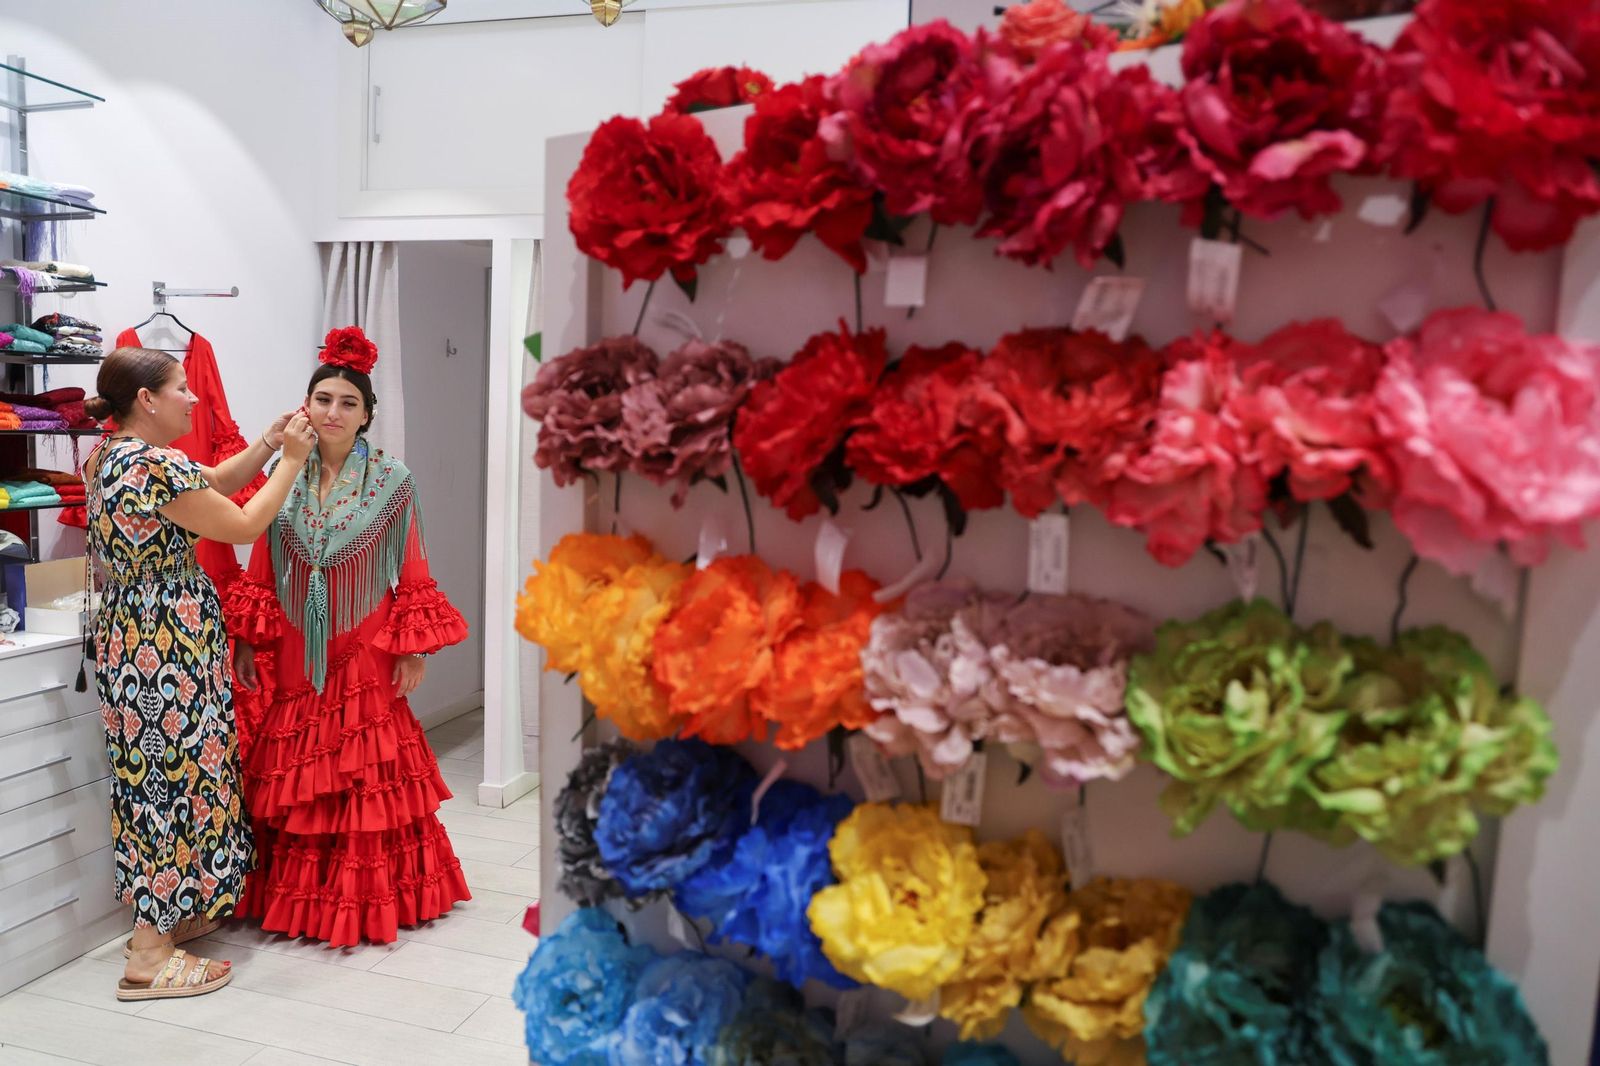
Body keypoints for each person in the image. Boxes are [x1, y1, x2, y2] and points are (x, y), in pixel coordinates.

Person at [82, 346, 316, 1001]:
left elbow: (208, 482)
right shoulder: (154, 465)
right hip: (168, 649)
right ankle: (150, 957)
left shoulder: (110, 455)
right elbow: (241, 520)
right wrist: (292, 462)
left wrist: (268, 443)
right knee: (171, 784)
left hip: (135, 641)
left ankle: (162, 926)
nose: (194, 398)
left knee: (149, 781)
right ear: (147, 400)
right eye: (182, 389)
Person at [228, 326, 470, 947]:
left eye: (347, 403)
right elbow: (261, 557)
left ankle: (364, 903)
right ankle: (295, 902)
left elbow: (411, 563)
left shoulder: (394, 480)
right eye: (322, 399)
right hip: (289, 640)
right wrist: (252, 640)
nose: (332, 412)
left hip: (365, 640)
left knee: (365, 765)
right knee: (296, 764)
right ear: (304, 407)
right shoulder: (286, 472)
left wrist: (411, 643)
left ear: (367, 417)